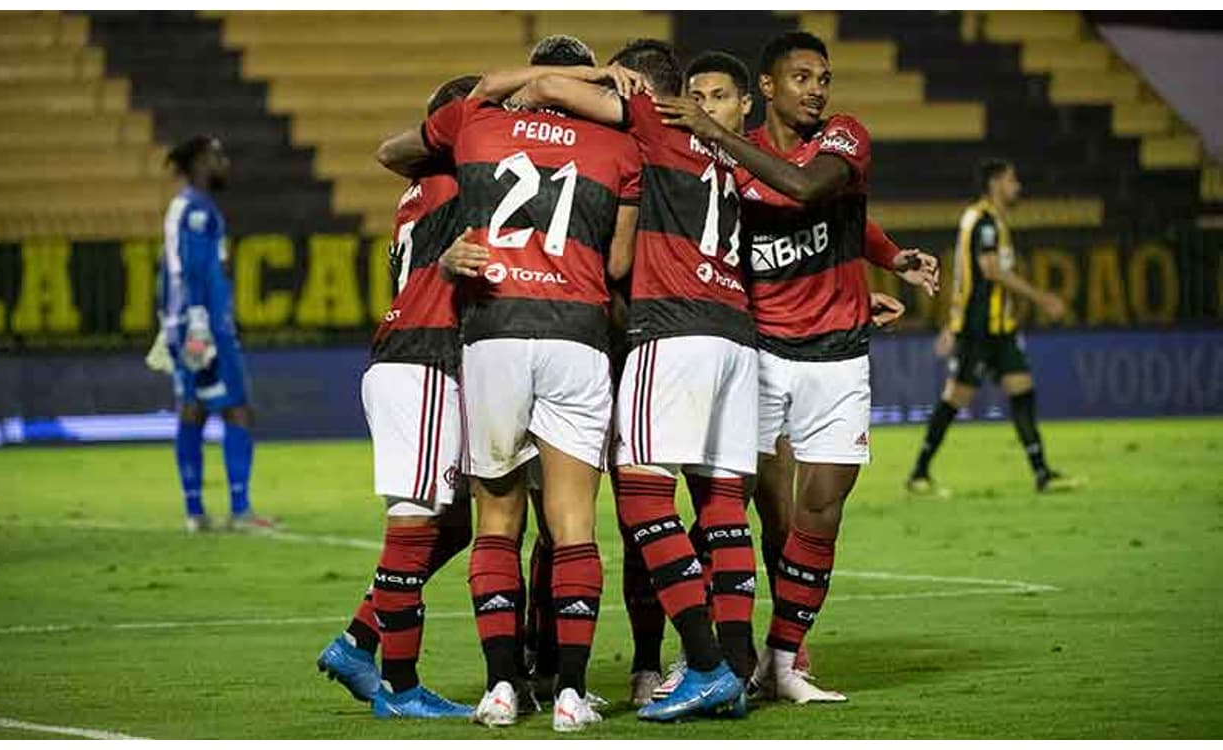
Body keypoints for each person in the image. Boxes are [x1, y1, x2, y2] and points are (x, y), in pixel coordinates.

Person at [471, 38, 757, 722]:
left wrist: (599, 78)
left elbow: (538, 93)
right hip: (736, 334)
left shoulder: (647, 129)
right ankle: (737, 665)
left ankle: (708, 665)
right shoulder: (730, 153)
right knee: (720, 504)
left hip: (669, 328)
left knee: (638, 501)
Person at [653, 31, 936, 703]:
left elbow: (816, 191)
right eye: (801, 78)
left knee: (819, 513)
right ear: (770, 89)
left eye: (824, 78)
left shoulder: (842, 137)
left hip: (838, 360)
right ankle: (718, 656)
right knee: (743, 513)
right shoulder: (725, 163)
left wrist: (886, 257)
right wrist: (888, 260)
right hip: (761, 353)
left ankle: (784, 659)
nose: (816, 89)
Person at [376, 34, 644, 732]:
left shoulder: (476, 120)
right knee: (573, 522)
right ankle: (569, 694)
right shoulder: (619, 149)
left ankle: (501, 688)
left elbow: (420, 135)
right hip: (577, 335)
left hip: (493, 331)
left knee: (496, 519)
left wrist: (519, 85)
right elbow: (618, 263)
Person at [313, 76, 480, 720]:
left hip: (412, 359)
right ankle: (402, 688)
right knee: (414, 520)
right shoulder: (456, 185)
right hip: (424, 360)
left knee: (457, 522)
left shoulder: (420, 190)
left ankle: (359, 640)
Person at [907, 159, 1082, 495]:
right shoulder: (983, 220)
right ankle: (919, 472)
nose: (1018, 187)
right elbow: (989, 270)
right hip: (979, 328)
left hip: (1000, 327)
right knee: (956, 397)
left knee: (1022, 388)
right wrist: (1041, 297)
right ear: (996, 182)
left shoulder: (990, 221)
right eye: (1012, 180)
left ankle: (1042, 473)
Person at [158, 135, 273, 533]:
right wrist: (201, 324)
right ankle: (240, 510)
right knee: (236, 409)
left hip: (186, 321)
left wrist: (170, 321)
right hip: (202, 325)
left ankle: (195, 512)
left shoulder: (185, 207)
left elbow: (168, 274)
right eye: (216, 157)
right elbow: (192, 271)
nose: (223, 163)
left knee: (194, 408)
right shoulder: (196, 209)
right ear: (199, 163)